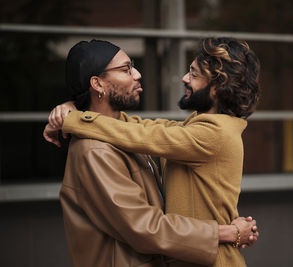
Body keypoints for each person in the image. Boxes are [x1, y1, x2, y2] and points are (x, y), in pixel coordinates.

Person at [44, 37, 260, 267]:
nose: (138, 74)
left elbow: (141, 133)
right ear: (97, 84)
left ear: (217, 87)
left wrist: (74, 116)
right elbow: (144, 227)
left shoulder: (210, 133)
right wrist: (227, 232)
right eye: (127, 69)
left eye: (194, 74)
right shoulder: (95, 150)